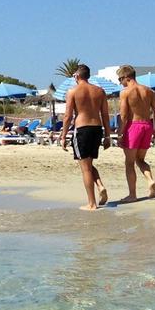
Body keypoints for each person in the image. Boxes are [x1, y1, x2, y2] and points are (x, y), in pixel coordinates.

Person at [59, 64, 111, 210]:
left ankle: (92, 203)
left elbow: (68, 116)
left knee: (85, 168)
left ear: (77, 76)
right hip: (97, 129)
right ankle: (100, 185)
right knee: (88, 164)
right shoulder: (100, 91)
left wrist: (63, 136)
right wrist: (107, 135)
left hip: (82, 129)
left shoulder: (73, 91)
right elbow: (105, 115)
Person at [116, 65, 155, 202]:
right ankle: (150, 180)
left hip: (133, 127)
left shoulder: (125, 92)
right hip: (147, 126)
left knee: (129, 163)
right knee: (140, 160)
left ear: (126, 77)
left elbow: (123, 116)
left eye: (120, 79)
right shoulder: (149, 91)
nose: (120, 83)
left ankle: (132, 195)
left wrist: (120, 133)